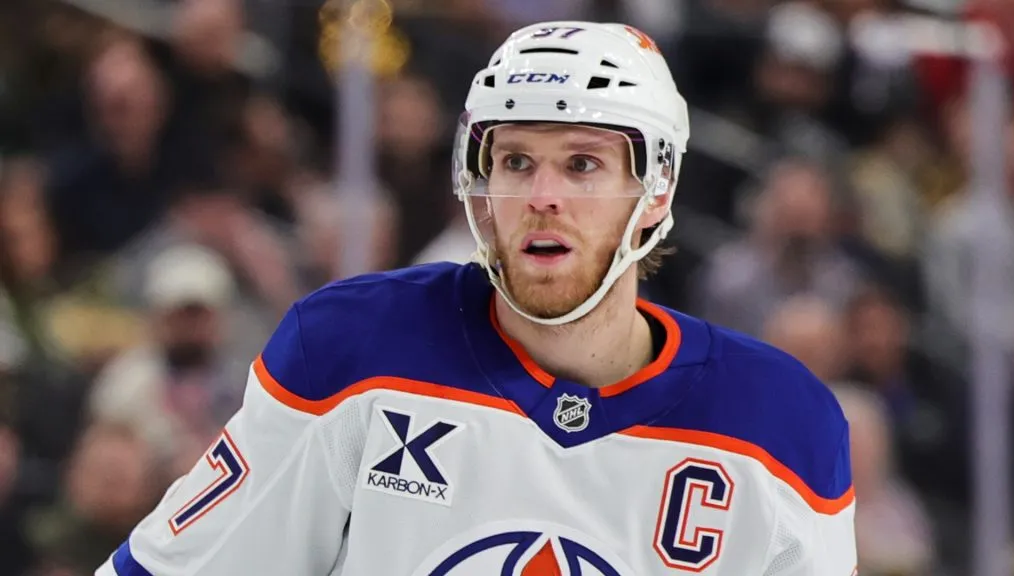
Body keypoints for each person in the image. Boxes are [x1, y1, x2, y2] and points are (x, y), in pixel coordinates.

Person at [96, 21, 856, 575]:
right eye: (517, 159)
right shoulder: (354, 348)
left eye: (583, 164)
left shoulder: (781, 427)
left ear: (654, 191)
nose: (541, 197)